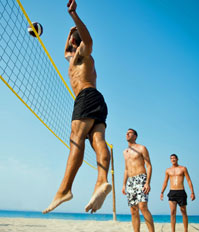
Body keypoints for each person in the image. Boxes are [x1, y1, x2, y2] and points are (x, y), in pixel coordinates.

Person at [43, 0, 111, 214]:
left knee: (76, 140)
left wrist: (74, 16)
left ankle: (65, 190)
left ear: (76, 41)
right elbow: (65, 51)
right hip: (97, 99)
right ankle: (102, 181)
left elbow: (88, 40)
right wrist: (70, 32)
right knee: (97, 140)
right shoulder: (73, 57)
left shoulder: (83, 53)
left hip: (86, 96)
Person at [122, 129, 155, 232]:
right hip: (130, 181)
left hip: (141, 178)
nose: (127, 134)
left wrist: (147, 182)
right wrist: (124, 184)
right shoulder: (125, 152)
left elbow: (149, 166)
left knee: (143, 207)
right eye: (126, 132)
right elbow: (126, 169)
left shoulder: (142, 148)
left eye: (130, 132)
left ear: (135, 136)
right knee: (133, 210)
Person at [160, 154, 195, 232]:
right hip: (172, 192)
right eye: (171, 158)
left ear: (177, 159)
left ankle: (186, 230)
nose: (173, 160)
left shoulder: (183, 168)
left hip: (181, 192)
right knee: (172, 212)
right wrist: (162, 192)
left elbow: (189, 180)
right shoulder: (168, 170)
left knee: (183, 211)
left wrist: (192, 192)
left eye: (174, 158)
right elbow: (165, 182)